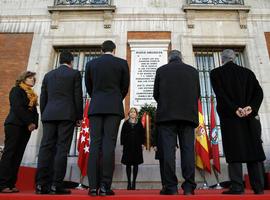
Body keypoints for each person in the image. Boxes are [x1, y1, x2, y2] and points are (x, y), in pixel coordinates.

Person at [210, 49, 265, 195]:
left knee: (234, 151)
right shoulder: (248, 73)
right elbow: (259, 92)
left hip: (231, 118)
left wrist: (235, 109)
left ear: (222, 59)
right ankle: (258, 187)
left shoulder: (216, 73)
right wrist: (250, 108)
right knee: (253, 149)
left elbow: (220, 95)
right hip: (249, 117)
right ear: (234, 58)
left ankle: (237, 186)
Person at [85, 40, 130, 196]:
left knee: (95, 145)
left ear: (101, 50)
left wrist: (97, 98)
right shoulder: (122, 63)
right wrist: (116, 98)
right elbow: (125, 86)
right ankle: (105, 186)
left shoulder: (91, 64)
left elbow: (89, 86)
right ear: (114, 50)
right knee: (109, 145)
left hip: (96, 106)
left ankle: (92, 187)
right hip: (113, 107)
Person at [35, 51, 83, 195]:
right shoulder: (74, 74)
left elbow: (43, 97)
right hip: (67, 115)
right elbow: (77, 96)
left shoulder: (48, 75)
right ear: (71, 61)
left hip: (49, 114)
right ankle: (56, 184)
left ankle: (40, 184)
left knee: (45, 148)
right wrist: (78, 116)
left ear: (59, 60)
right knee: (62, 148)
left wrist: (44, 114)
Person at [153, 50, 200, 195]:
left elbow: (156, 94)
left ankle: (171, 187)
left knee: (168, 152)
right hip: (187, 117)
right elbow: (197, 94)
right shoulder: (193, 71)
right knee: (188, 151)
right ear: (181, 57)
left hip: (167, 117)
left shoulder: (161, 70)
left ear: (169, 58)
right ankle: (188, 187)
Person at [0, 71, 38, 193]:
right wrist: (29, 122)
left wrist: (35, 124)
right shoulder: (16, 90)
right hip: (14, 125)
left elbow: (34, 112)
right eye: (30, 78)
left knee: (18, 155)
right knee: (9, 153)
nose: (33, 80)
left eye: (34, 78)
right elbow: (17, 107)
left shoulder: (32, 95)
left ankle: (11, 183)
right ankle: (2, 184)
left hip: (26, 127)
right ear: (24, 79)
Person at [120, 107, 144, 190]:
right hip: (128, 147)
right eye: (131, 112)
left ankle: (134, 182)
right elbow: (122, 134)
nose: (133, 113)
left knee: (136, 164)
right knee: (128, 165)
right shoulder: (126, 123)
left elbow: (142, 134)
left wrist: (142, 144)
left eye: (134, 112)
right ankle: (129, 183)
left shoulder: (139, 123)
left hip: (137, 147)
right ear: (129, 114)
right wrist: (122, 144)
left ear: (136, 114)